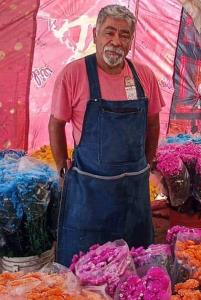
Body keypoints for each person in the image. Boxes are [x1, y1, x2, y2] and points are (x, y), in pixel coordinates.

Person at [48, 4, 164, 267]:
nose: (116, 41)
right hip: (90, 192)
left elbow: (153, 124)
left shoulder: (144, 75)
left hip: (133, 192)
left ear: (131, 40)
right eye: (109, 32)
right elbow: (56, 124)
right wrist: (61, 166)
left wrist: (145, 163)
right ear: (95, 34)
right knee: (85, 267)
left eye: (124, 35)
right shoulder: (73, 74)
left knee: (133, 266)